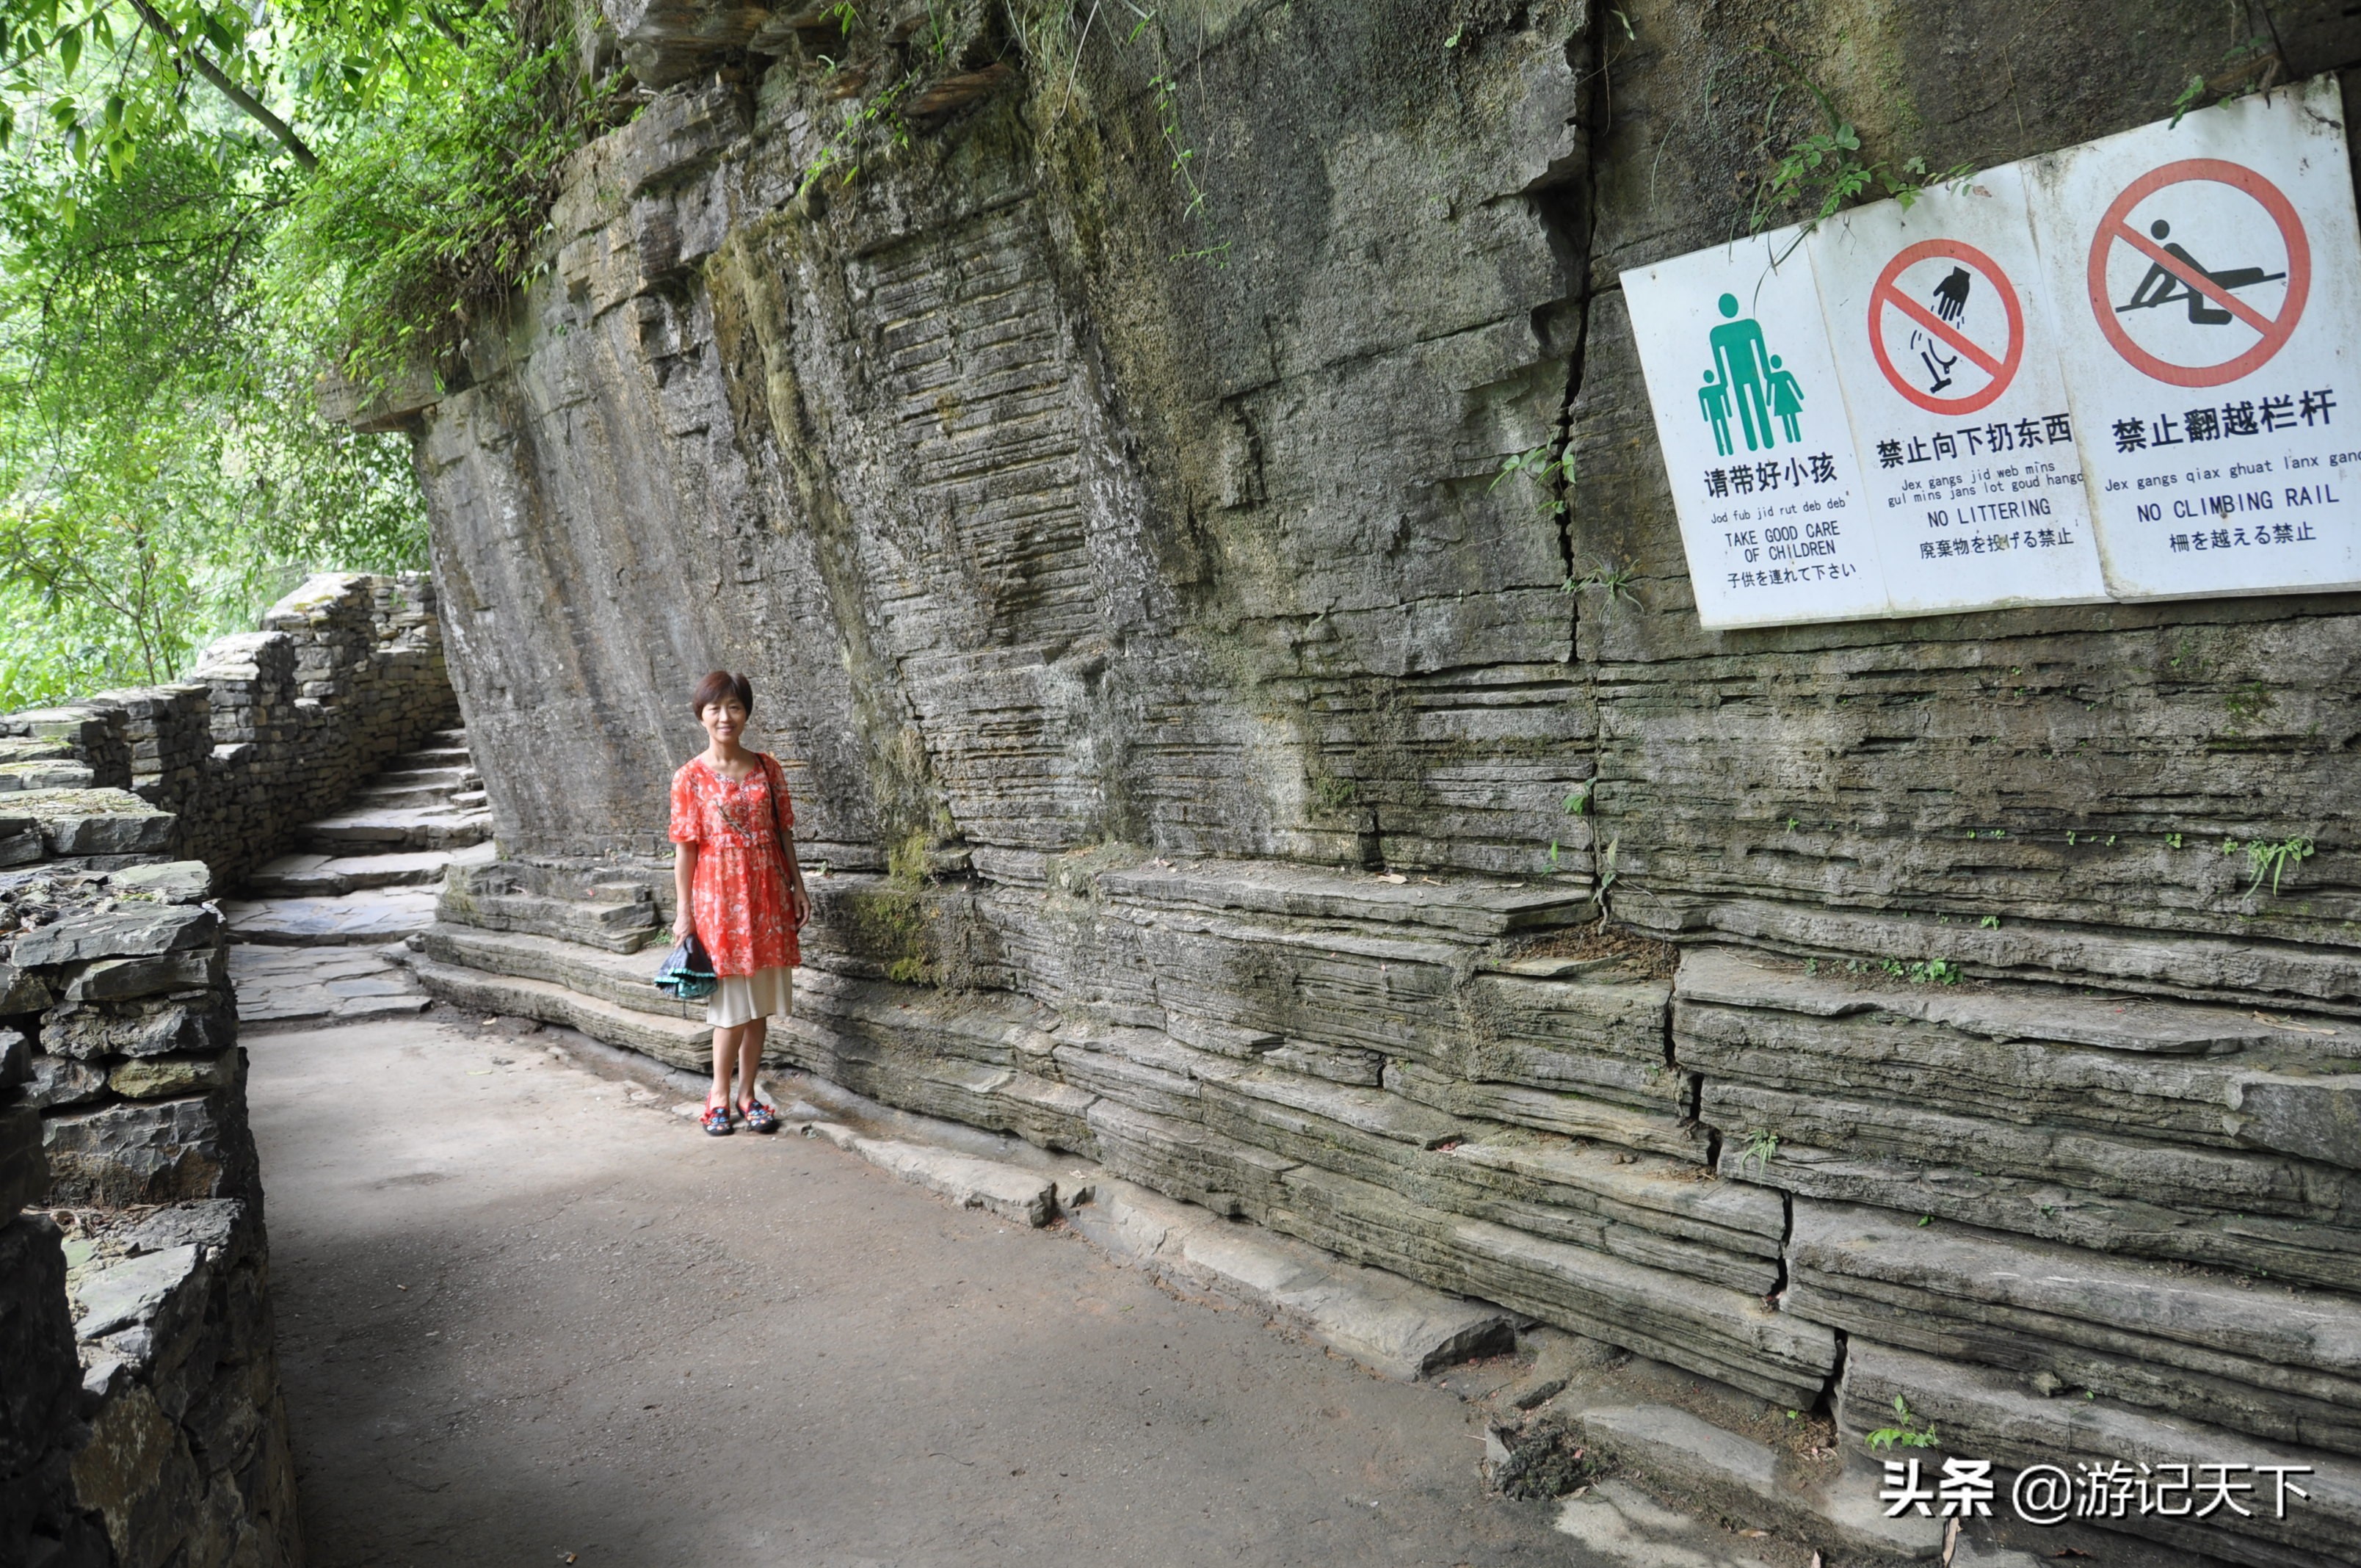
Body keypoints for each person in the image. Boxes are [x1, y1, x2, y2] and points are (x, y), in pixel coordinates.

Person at [669, 671, 811, 1136]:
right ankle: (717, 1097)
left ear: (746, 711)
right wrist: (685, 912)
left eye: (734, 706)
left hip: (767, 895)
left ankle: (749, 1095)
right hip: (718, 901)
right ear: (702, 716)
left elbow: (782, 830)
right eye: (715, 708)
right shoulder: (689, 777)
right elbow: (685, 848)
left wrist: (798, 886)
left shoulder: (767, 767)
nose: (725, 716)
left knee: (760, 1006)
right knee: (730, 1009)